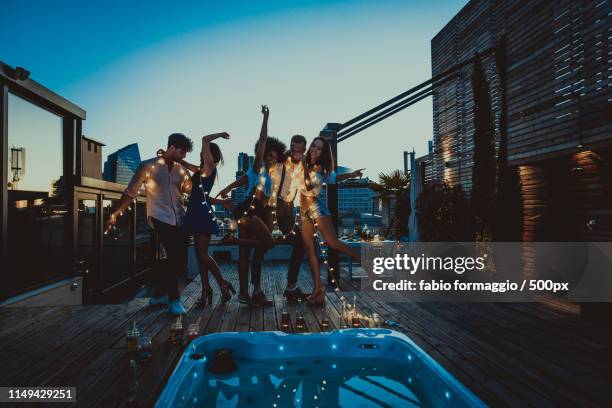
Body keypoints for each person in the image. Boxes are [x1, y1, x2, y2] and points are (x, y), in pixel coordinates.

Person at [106, 133, 194, 315]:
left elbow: (190, 189)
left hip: (181, 217)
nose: (184, 155)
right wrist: (114, 213)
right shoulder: (148, 166)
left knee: (177, 260)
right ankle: (174, 300)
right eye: (182, 151)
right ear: (171, 147)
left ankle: (161, 294)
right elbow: (130, 192)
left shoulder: (181, 170)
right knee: (172, 254)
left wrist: (189, 173)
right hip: (159, 216)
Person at [217, 105, 285, 305]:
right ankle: (253, 290)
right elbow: (263, 140)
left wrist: (227, 188)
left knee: (252, 253)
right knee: (268, 243)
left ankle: (247, 294)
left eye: (275, 156)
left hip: (261, 211)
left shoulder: (268, 173)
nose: (272, 158)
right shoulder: (258, 165)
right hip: (251, 208)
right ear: (262, 155)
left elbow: (242, 181)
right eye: (268, 155)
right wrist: (266, 118)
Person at [299, 136, 364, 305]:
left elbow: (308, 187)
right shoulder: (301, 163)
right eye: (313, 146)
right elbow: (335, 178)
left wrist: (304, 165)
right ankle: (318, 290)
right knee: (310, 251)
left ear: (322, 153)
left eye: (319, 148)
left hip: (317, 208)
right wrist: (352, 174)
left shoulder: (318, 167)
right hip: (304, 211)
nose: (314, 149)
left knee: (333, 243)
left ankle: (364, 260)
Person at [178, 132, 237, 306]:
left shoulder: (209, 167)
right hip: (197, 211)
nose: (203, 154)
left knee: (203, 253)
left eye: (206, 153)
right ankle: (206, 289)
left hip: (201, 214)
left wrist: (220, 134)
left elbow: (204, 139)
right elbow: (202, 195)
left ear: (210, 154)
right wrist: (221, 201)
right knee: (199, 254)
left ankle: (222, 284)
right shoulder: (201, 170)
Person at [269, 134, 309, 302]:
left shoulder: (302, 165)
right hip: (273, 206)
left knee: (300, 243)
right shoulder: (280, 159)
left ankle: (290, 286)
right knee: (261, 245)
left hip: (288, 209)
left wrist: (304, 161)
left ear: (303, 150)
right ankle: (254, 289)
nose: (295, 153)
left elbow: (307, 184)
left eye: (298, 150)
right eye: (293, 149)